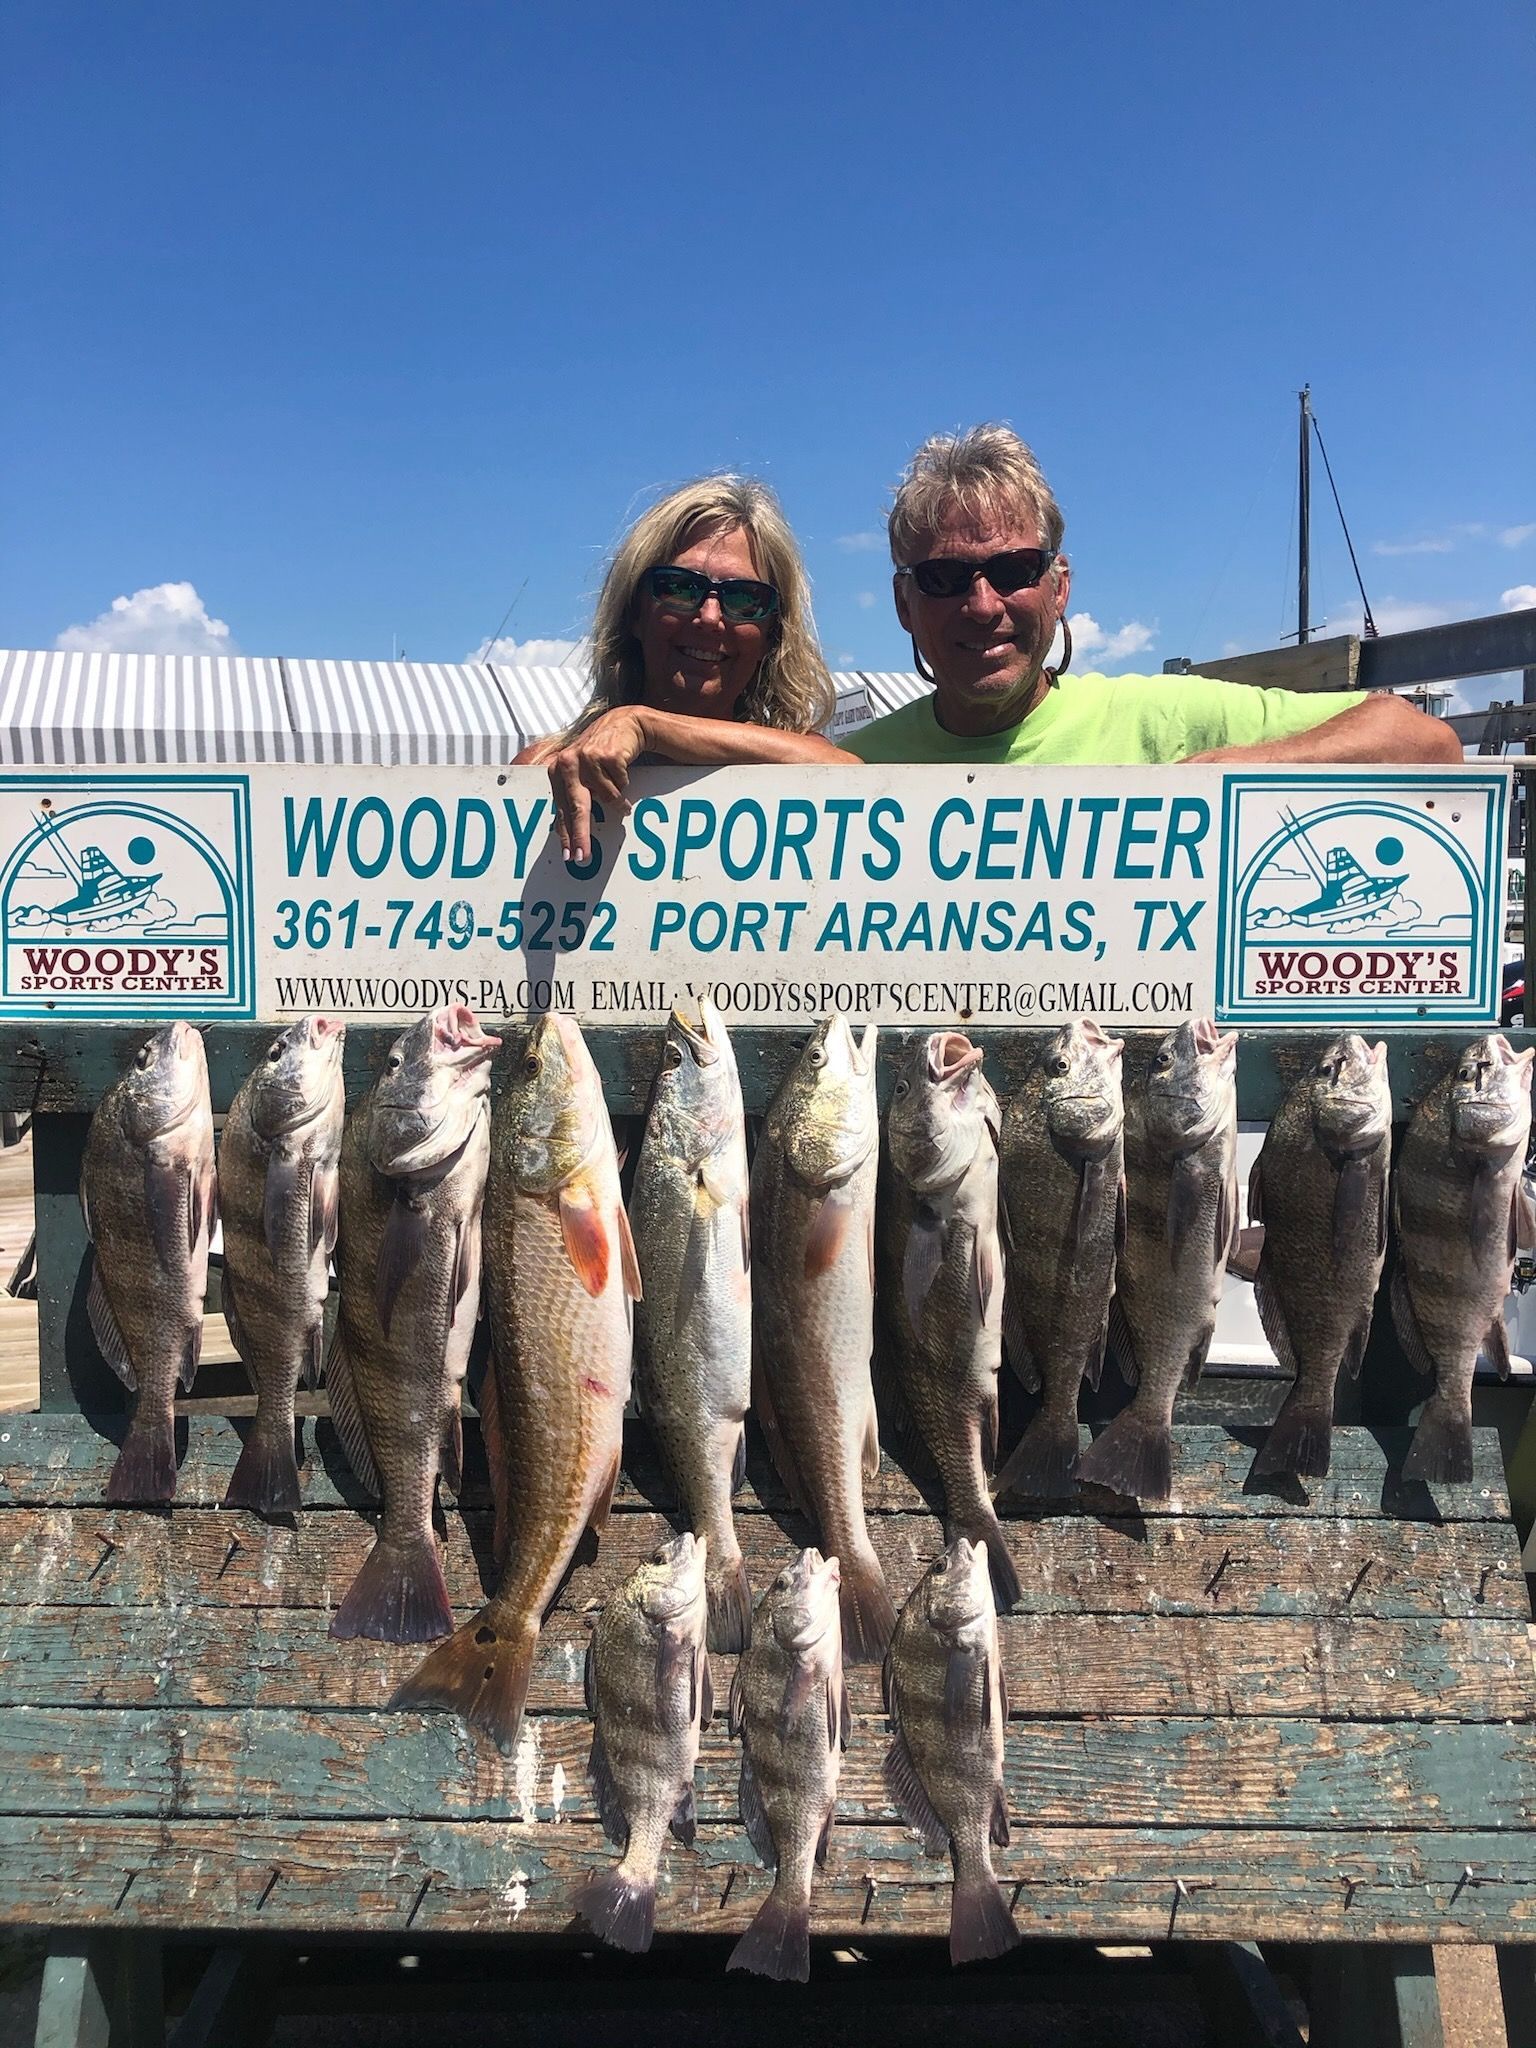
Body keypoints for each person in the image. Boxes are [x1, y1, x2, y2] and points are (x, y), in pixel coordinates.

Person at [844, 424, 1462, 767]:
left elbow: (1425, 742)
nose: (982, 605)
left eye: (1014, 569)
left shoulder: (1169, 719)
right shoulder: (853, 773)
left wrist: (1252, 770)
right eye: (943, 579)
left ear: (1059, 588)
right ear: (905, 605)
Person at [520, 475, 848, 865]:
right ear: (634, 614)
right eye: (679, 588)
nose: (710, 618)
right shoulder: (543, 771)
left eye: (745, 598)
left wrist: (647, 726)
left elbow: (853, 778)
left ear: (771, 637)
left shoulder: (801, 764)